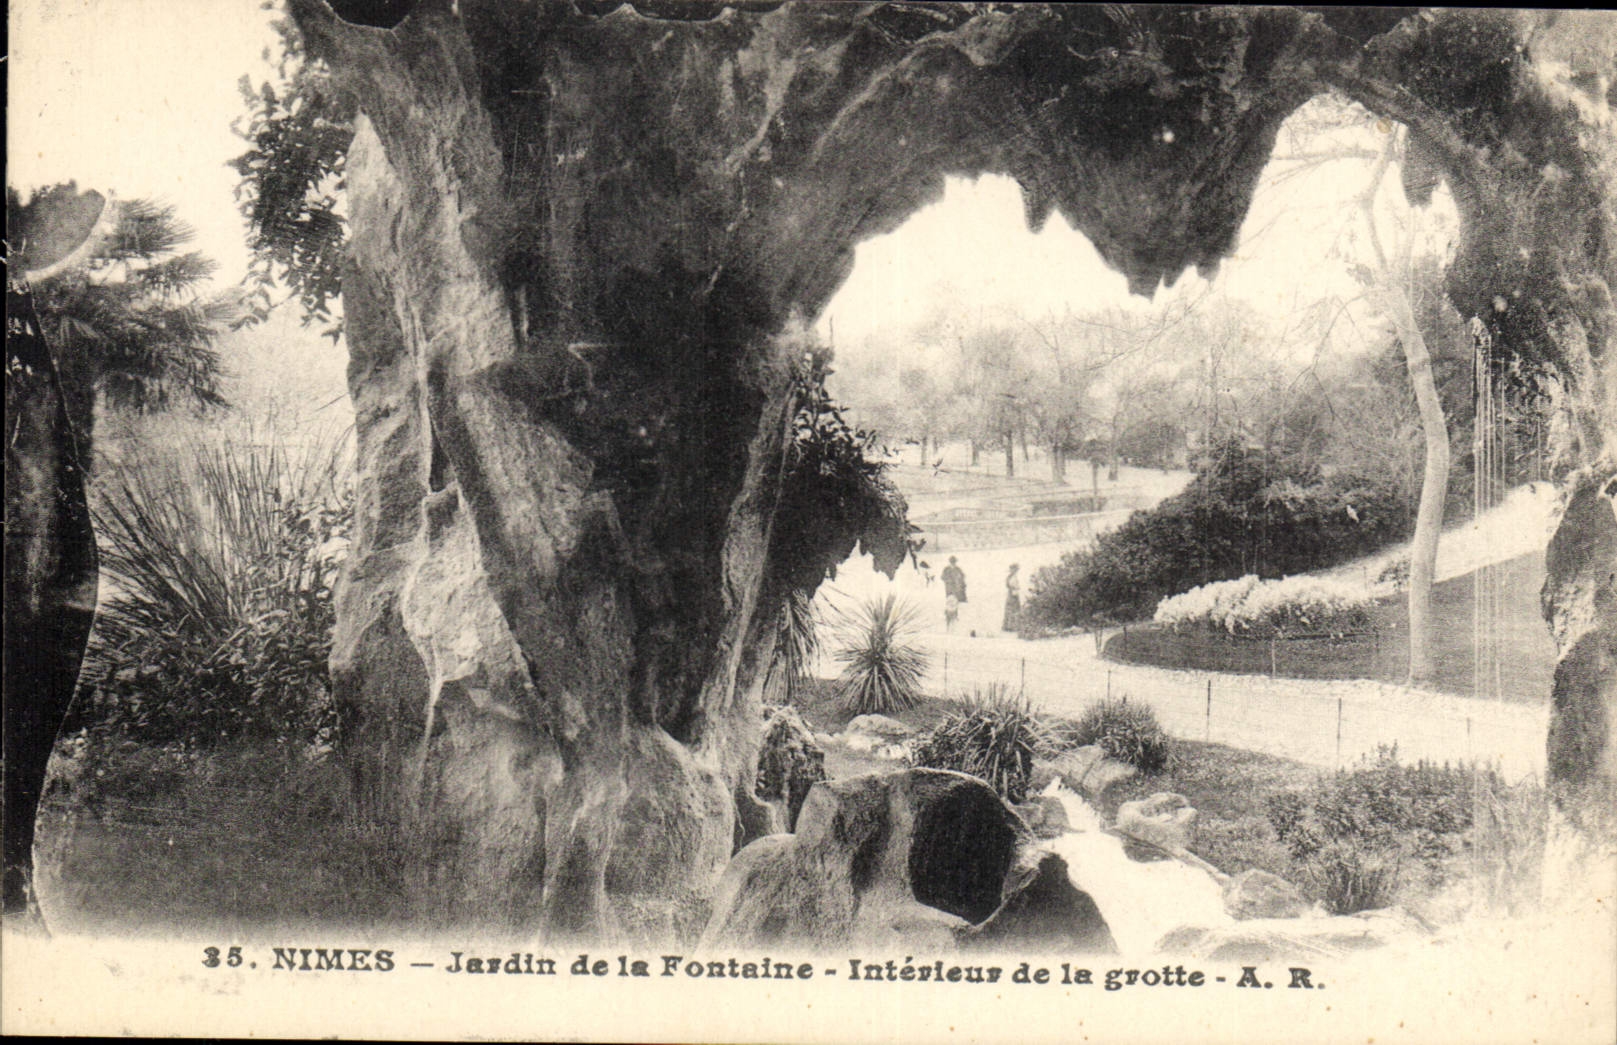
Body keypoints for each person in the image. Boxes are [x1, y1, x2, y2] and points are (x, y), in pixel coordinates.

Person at [941, 556, 967, 632]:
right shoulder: (946, 569)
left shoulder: (958, 569)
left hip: (956, 591)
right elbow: (942, 577)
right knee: (949, 604)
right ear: (950, 562)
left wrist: (959, 582)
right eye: (952, 562)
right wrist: (949, 580)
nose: (953, 563)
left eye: (954, 562)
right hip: (949, 590)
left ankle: (955, 617)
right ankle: (947, 618)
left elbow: (963, 577)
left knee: (955, 605)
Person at [1003, 563, 1021, 634]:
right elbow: (1014, 586)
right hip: (1013, 594)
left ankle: (1010, 626)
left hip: (1012, 594)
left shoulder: (1011, 577)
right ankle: (1010, 626)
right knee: (1013, 609)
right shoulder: (1012, 577)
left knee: (1011, 609)